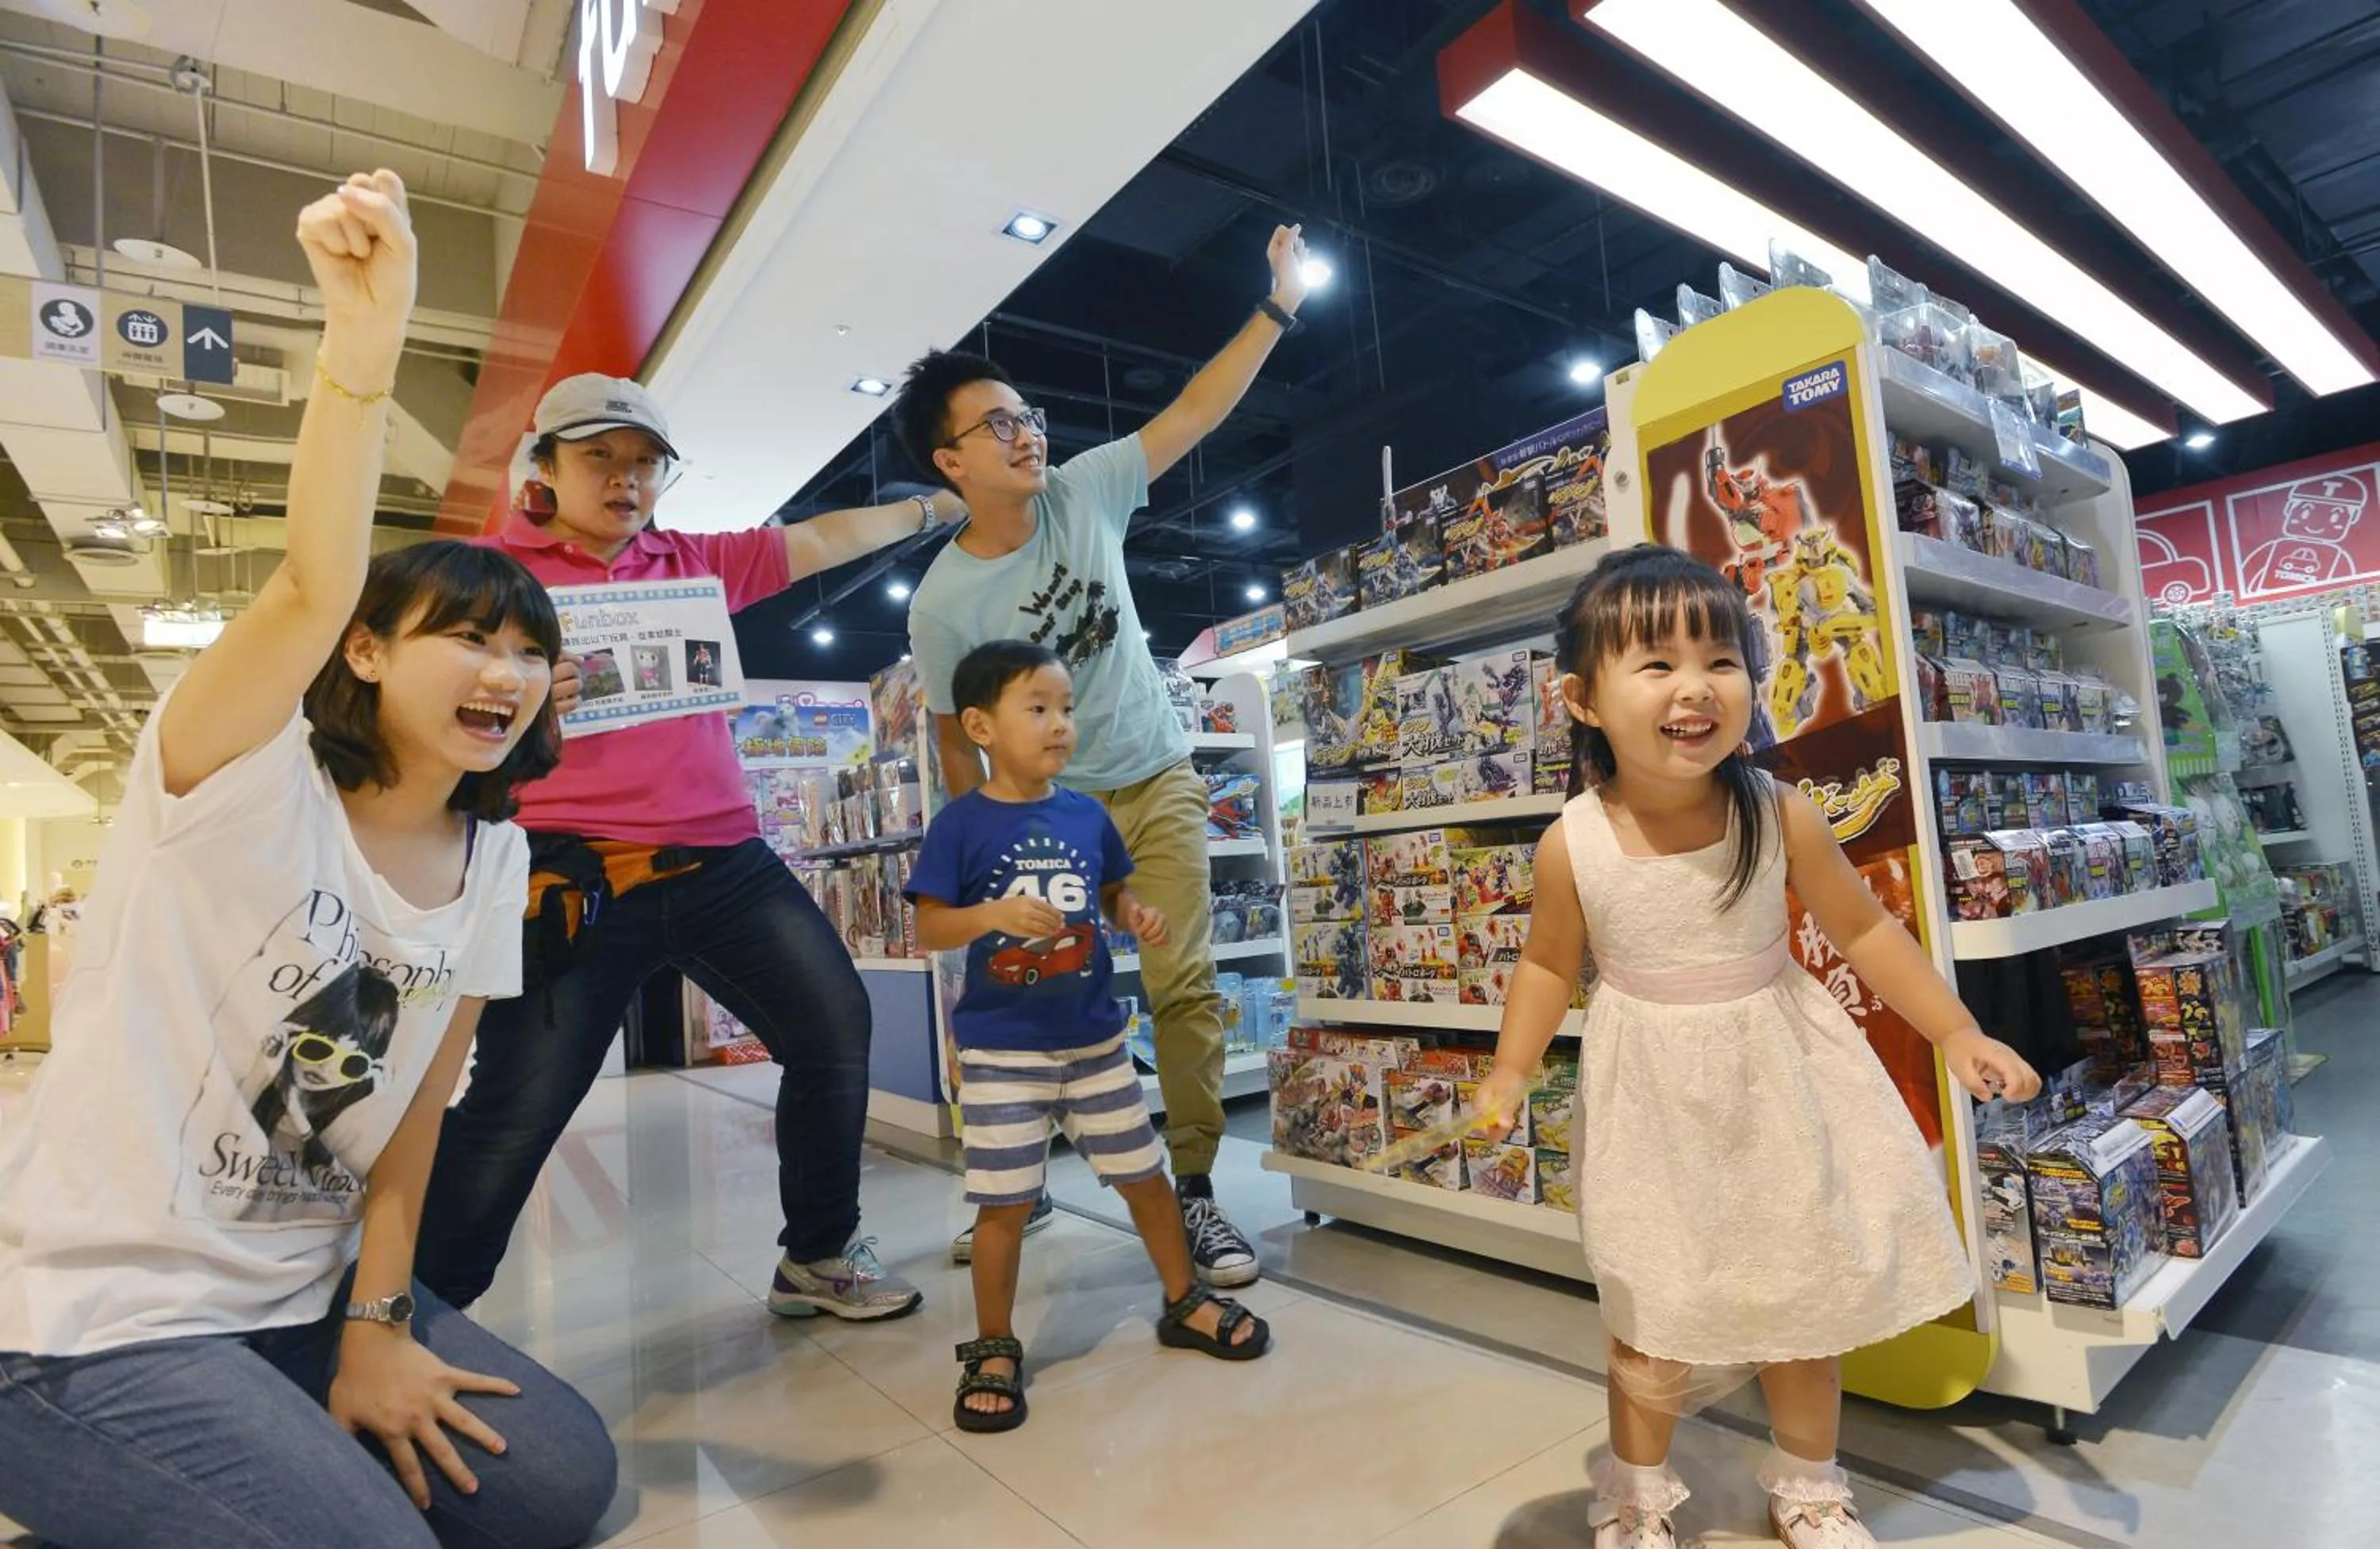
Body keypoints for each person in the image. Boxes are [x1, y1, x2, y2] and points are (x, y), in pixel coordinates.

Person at [0, 171, 616, 1549]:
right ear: (368, 651)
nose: (507, 670)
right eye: (468, 634)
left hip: (300, 1297)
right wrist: (362, 351)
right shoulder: (234, 774)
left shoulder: (494, 860)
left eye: (532, 652)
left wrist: (380, 1321)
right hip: (88, 1320)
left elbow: (405, 1123)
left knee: (560, 1483)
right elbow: (304, 582)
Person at [1470, 545, 2040, 1549]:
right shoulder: (1574, 840)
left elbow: (1865, 930)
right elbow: (1549, 966)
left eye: (1720, 658)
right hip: (1650, 1097)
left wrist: (1955, 1027)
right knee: (1653, 1305)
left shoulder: (1778, 812)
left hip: (1781, 1079)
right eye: (1655, 663)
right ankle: (1637, 1492)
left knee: (1798, 1288)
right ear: (1584, 698)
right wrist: (1512, 1068)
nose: (1695, 687)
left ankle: (1812, 1484)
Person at [413, 372, 965, 1322]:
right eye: (599, 459)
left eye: (644, 464)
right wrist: (519, 702)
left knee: (834, 1026)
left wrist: (932, 506)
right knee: (519, 1107)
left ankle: (817, 1254)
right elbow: (427, 716)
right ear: (542, 466)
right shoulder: (488, 575)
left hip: (725, 862)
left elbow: (823, 540)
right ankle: (415, 1311)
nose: (625, 481)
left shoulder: (693, 561)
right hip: (568, 873)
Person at [892, 223, 1316, 1283]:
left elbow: (1193, 412)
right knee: (1038, 994)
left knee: (1184, 983)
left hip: (1160, 777)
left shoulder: (1087, 491)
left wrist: (1278, 307)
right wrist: (987, 840)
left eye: (1026, 415)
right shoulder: (944, 602)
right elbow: (955, 730)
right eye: (996, 427)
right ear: (950, 462)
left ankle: (1199, 1191)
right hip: (1053, 812)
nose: (1025, 434)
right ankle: (1015, 1184)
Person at [906, 641, 1269, 1432]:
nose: (1060, 724)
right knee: (1003, 1202)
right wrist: (993, 915)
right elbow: (931, 923)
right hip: (1003, 1049)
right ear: (979, 725)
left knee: (1144, 1176)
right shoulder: (961, 826)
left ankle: (1182, 1298)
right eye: (1037, 708)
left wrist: (1131, 914)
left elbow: (1109, 890)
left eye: (1066, 708)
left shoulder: (1085, 813)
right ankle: (995, 1342)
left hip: (1097, 1038)